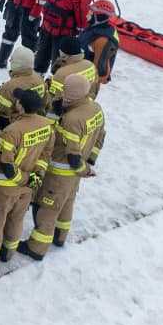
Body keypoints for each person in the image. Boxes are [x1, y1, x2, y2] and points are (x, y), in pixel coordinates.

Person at [0, 90, 53, 269]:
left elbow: (6, 163)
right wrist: (36, 176)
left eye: (17, 101)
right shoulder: (47, 126)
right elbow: (45, 154)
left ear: (20, 106)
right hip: (28, 186)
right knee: (16, 218)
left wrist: (22, 179)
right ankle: (8, 251)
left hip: (5, 187)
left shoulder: (12, 131)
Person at [24, 73, 106, 259]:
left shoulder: (72, 120)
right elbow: (101, 136)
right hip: (73, 176)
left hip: (59, 173)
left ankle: (37, 248)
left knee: (47, 209)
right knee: (67, 202)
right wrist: (90, 161)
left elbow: (73, 156)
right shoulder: (95, 108)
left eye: (65, 91)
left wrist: (83, 169)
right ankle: (60, 236)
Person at [34, 0, 91, 73]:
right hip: (46, 31)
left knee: (58, 68)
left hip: (62, 37)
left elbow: (82, 22)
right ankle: (36, 83)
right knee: (39, 62)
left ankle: (54, 87)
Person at [0, 47, 46, 123]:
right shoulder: (40, 79)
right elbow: (45, 102)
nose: (10, 60)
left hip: (16, 123)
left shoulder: (9, 87)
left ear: (17, 64)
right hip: (36, 119)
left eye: (12, 59)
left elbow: (2, 114)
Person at [82, 0, 119, 96]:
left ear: (99, 17)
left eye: (91, 13)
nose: (87, 15)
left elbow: (100, 72)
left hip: (85, 84)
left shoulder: (102, 40)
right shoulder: (95, 28)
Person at [47, 35, 98, 103]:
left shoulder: (61, 74)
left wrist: (48, 84)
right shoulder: (90, 65)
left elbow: (54, 98)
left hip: (69, 107)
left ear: (62, 54)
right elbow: (95, 87)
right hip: (88, 102)